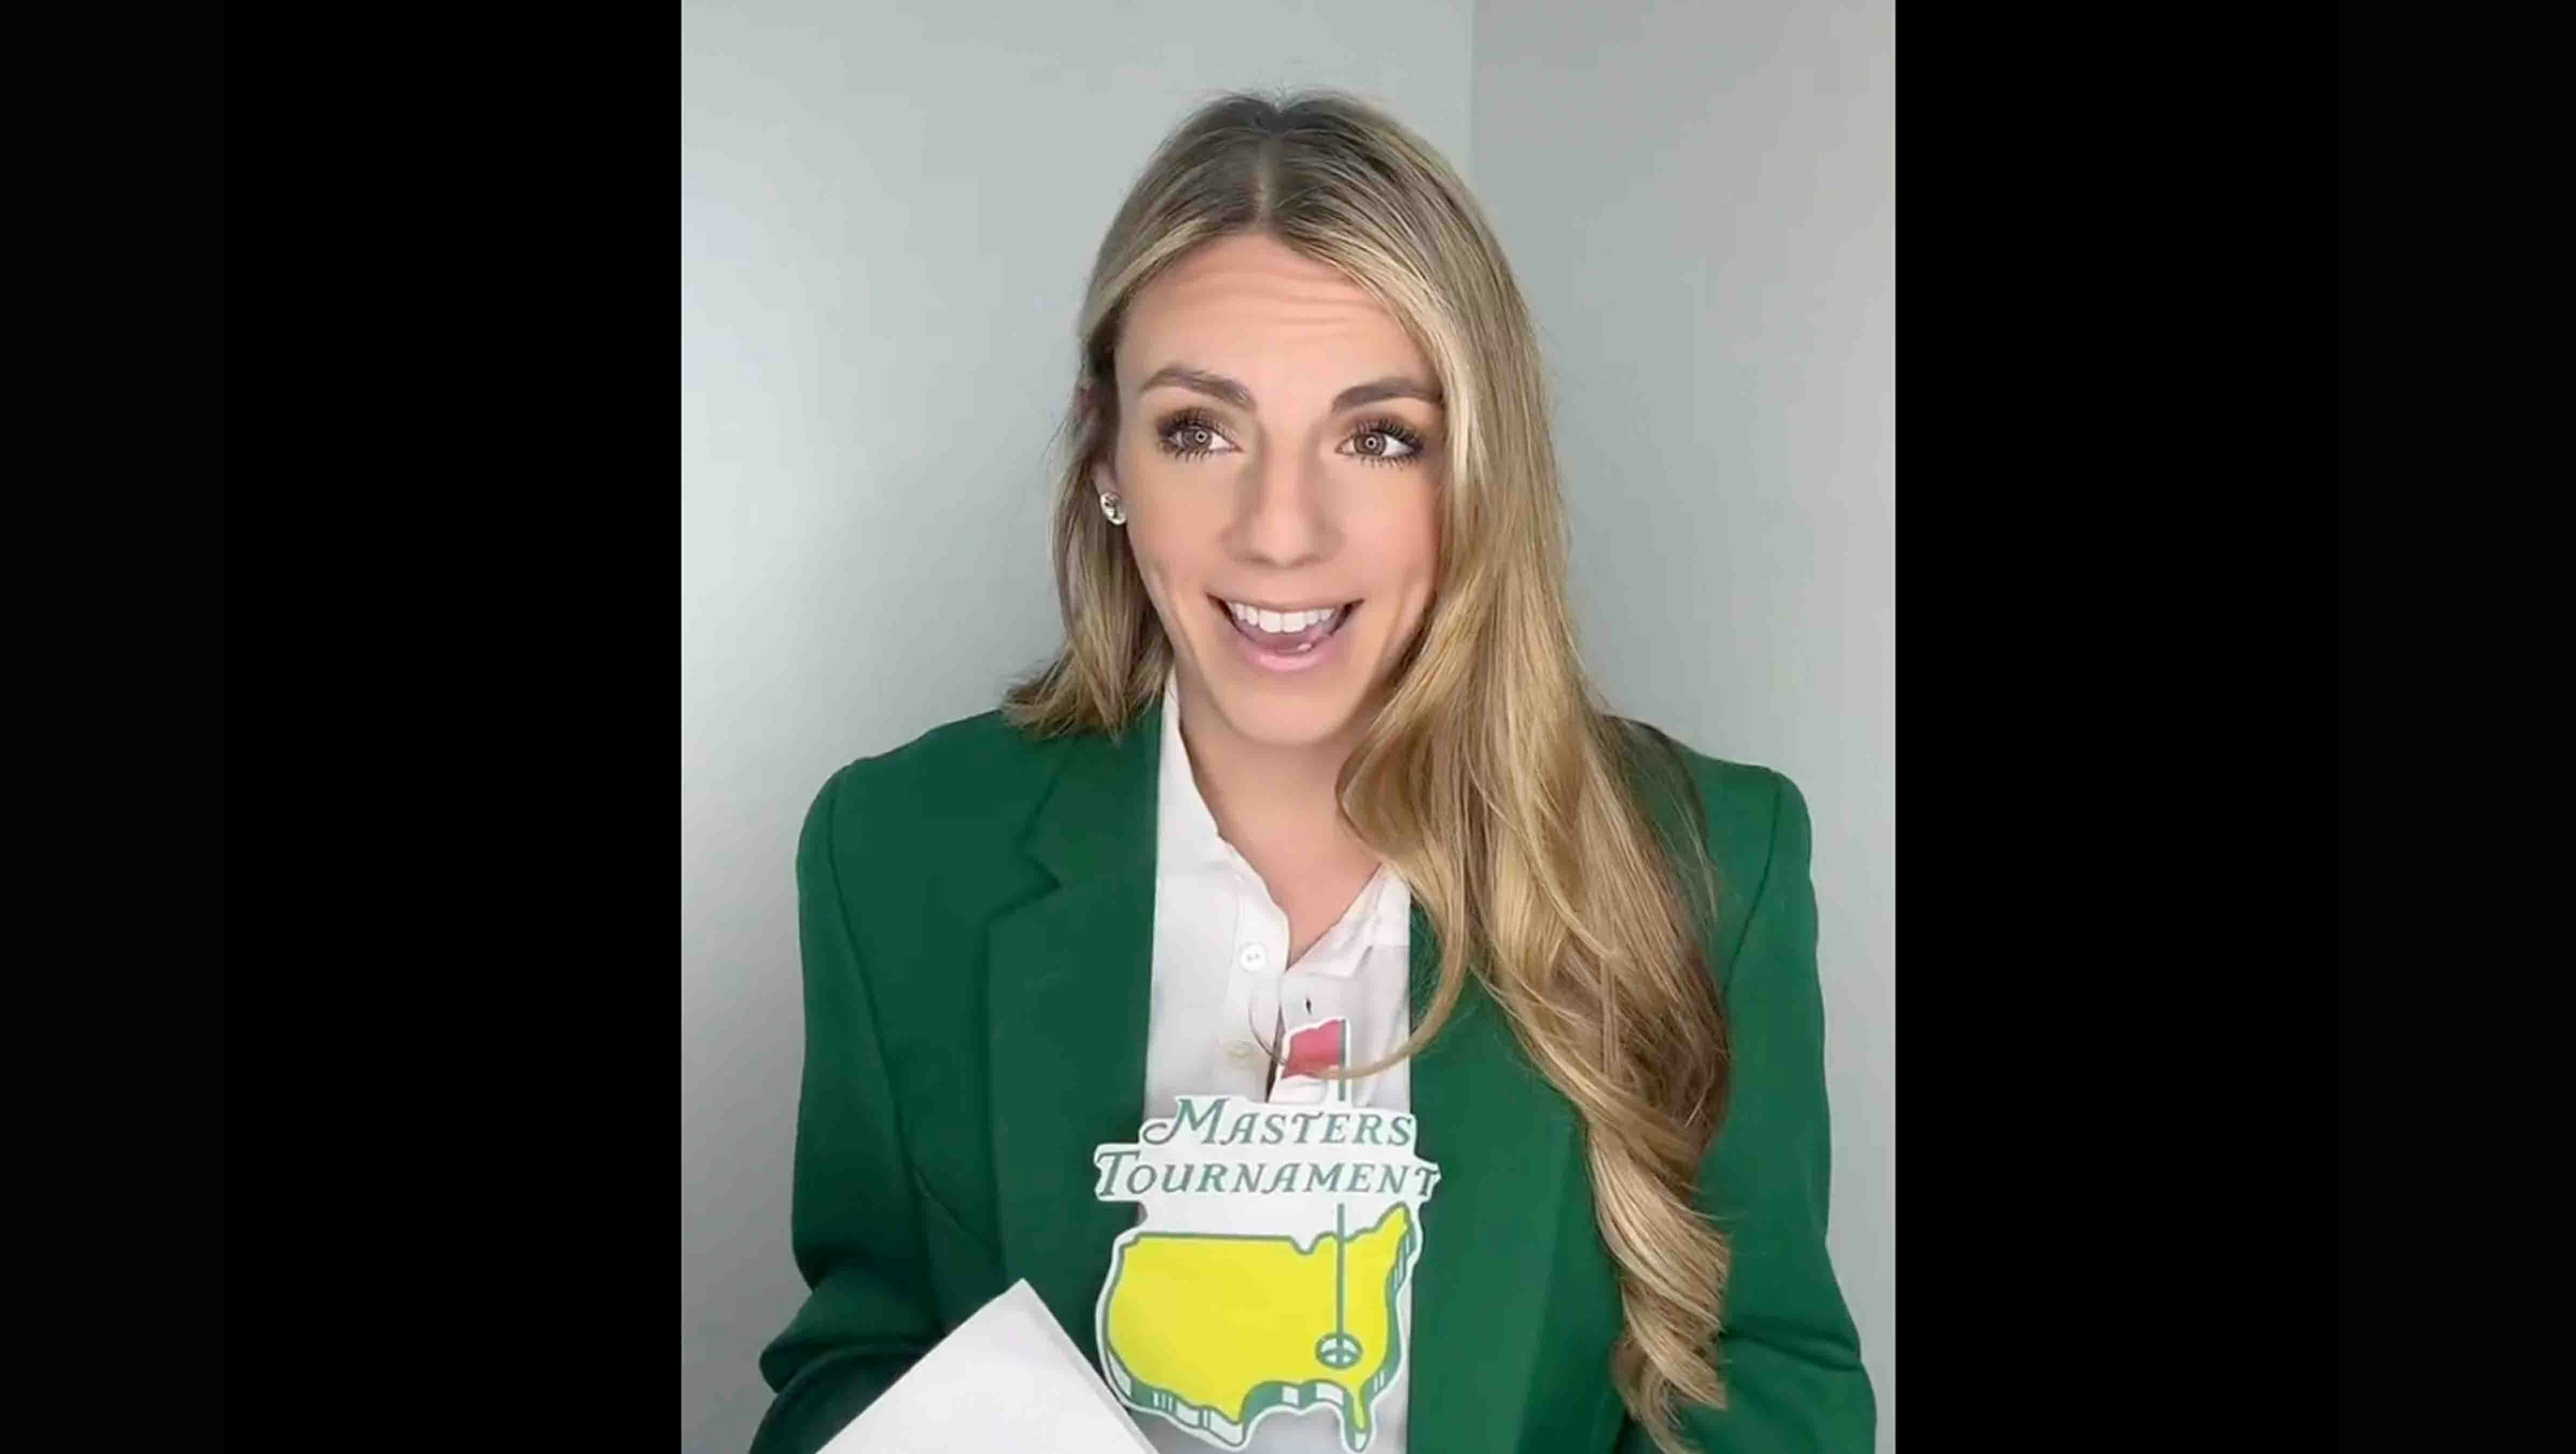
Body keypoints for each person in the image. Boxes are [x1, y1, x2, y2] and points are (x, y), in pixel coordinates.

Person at [748, 89, 1873, 1454]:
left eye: (1379, 437)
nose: (1280, 532)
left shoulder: (1712, 863)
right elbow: (853, 1369)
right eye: (1200, 431)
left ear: (1479, 469)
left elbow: (1769, 1391)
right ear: (1106, 455)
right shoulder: (897, 851)